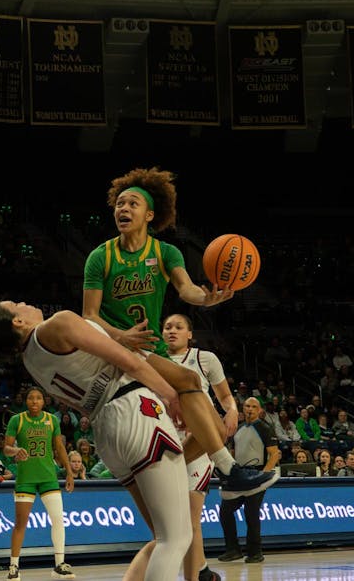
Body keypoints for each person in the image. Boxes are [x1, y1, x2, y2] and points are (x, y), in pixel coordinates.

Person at [81, 167, 274, 495]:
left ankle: (166, 472)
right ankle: (228, 470)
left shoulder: (165, 252)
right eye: (120, 204)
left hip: (148, 350)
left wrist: (208, 299)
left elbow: (187, 290)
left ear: (149, 215)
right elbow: (88, 316)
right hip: (115, 347)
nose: (123, 209)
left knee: (218, 428)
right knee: (189, 380)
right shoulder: (101, 256)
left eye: (132, 204)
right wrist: (120, 335)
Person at [0, 301, 193, 581]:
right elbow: (128, 361)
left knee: (162, 535)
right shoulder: (59, 322)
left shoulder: (30, 360)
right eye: (17, 304)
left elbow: (78, 406)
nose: (25, 303)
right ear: (17, 322)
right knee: (175, 539)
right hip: (133, 409)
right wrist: (170, 395)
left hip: (104, 429)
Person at [164, 312, 236, 581]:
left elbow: (226, 396)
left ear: (190, 334)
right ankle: (202, 571)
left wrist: (232, 410)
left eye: (178, 327)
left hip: (196, 443)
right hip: (165, 442)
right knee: (171, 524)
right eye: (167, 327)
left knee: (190, 518)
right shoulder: (152, 360)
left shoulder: (204, 359)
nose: (172, 331)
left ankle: (193, 577)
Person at [2, 386, 75, 581]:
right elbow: (6, 448)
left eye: (38, 398)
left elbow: (59, 446)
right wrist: (15, 450)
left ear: (44, 402)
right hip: (25, 478)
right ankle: (13, 566)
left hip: (48, 477)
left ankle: (59, 564)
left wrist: (69, 472)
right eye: (31, 398)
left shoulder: (52, 420)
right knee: (20, 523)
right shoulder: (17, 420)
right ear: (26, 401)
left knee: (58, 519)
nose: (35, 401)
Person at [218, 397, 280, 565]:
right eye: (247, 406)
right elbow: (231, 452)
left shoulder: (265, 428)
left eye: (254, 406)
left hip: (257, 473)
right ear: (242, 409)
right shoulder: (237, 428)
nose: (250, 409)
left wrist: (262, 476)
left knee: (251, 514)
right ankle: (233, 550)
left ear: (260, 410)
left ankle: (255, 553)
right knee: (225, 512)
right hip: (238, 475)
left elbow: (275, 454)